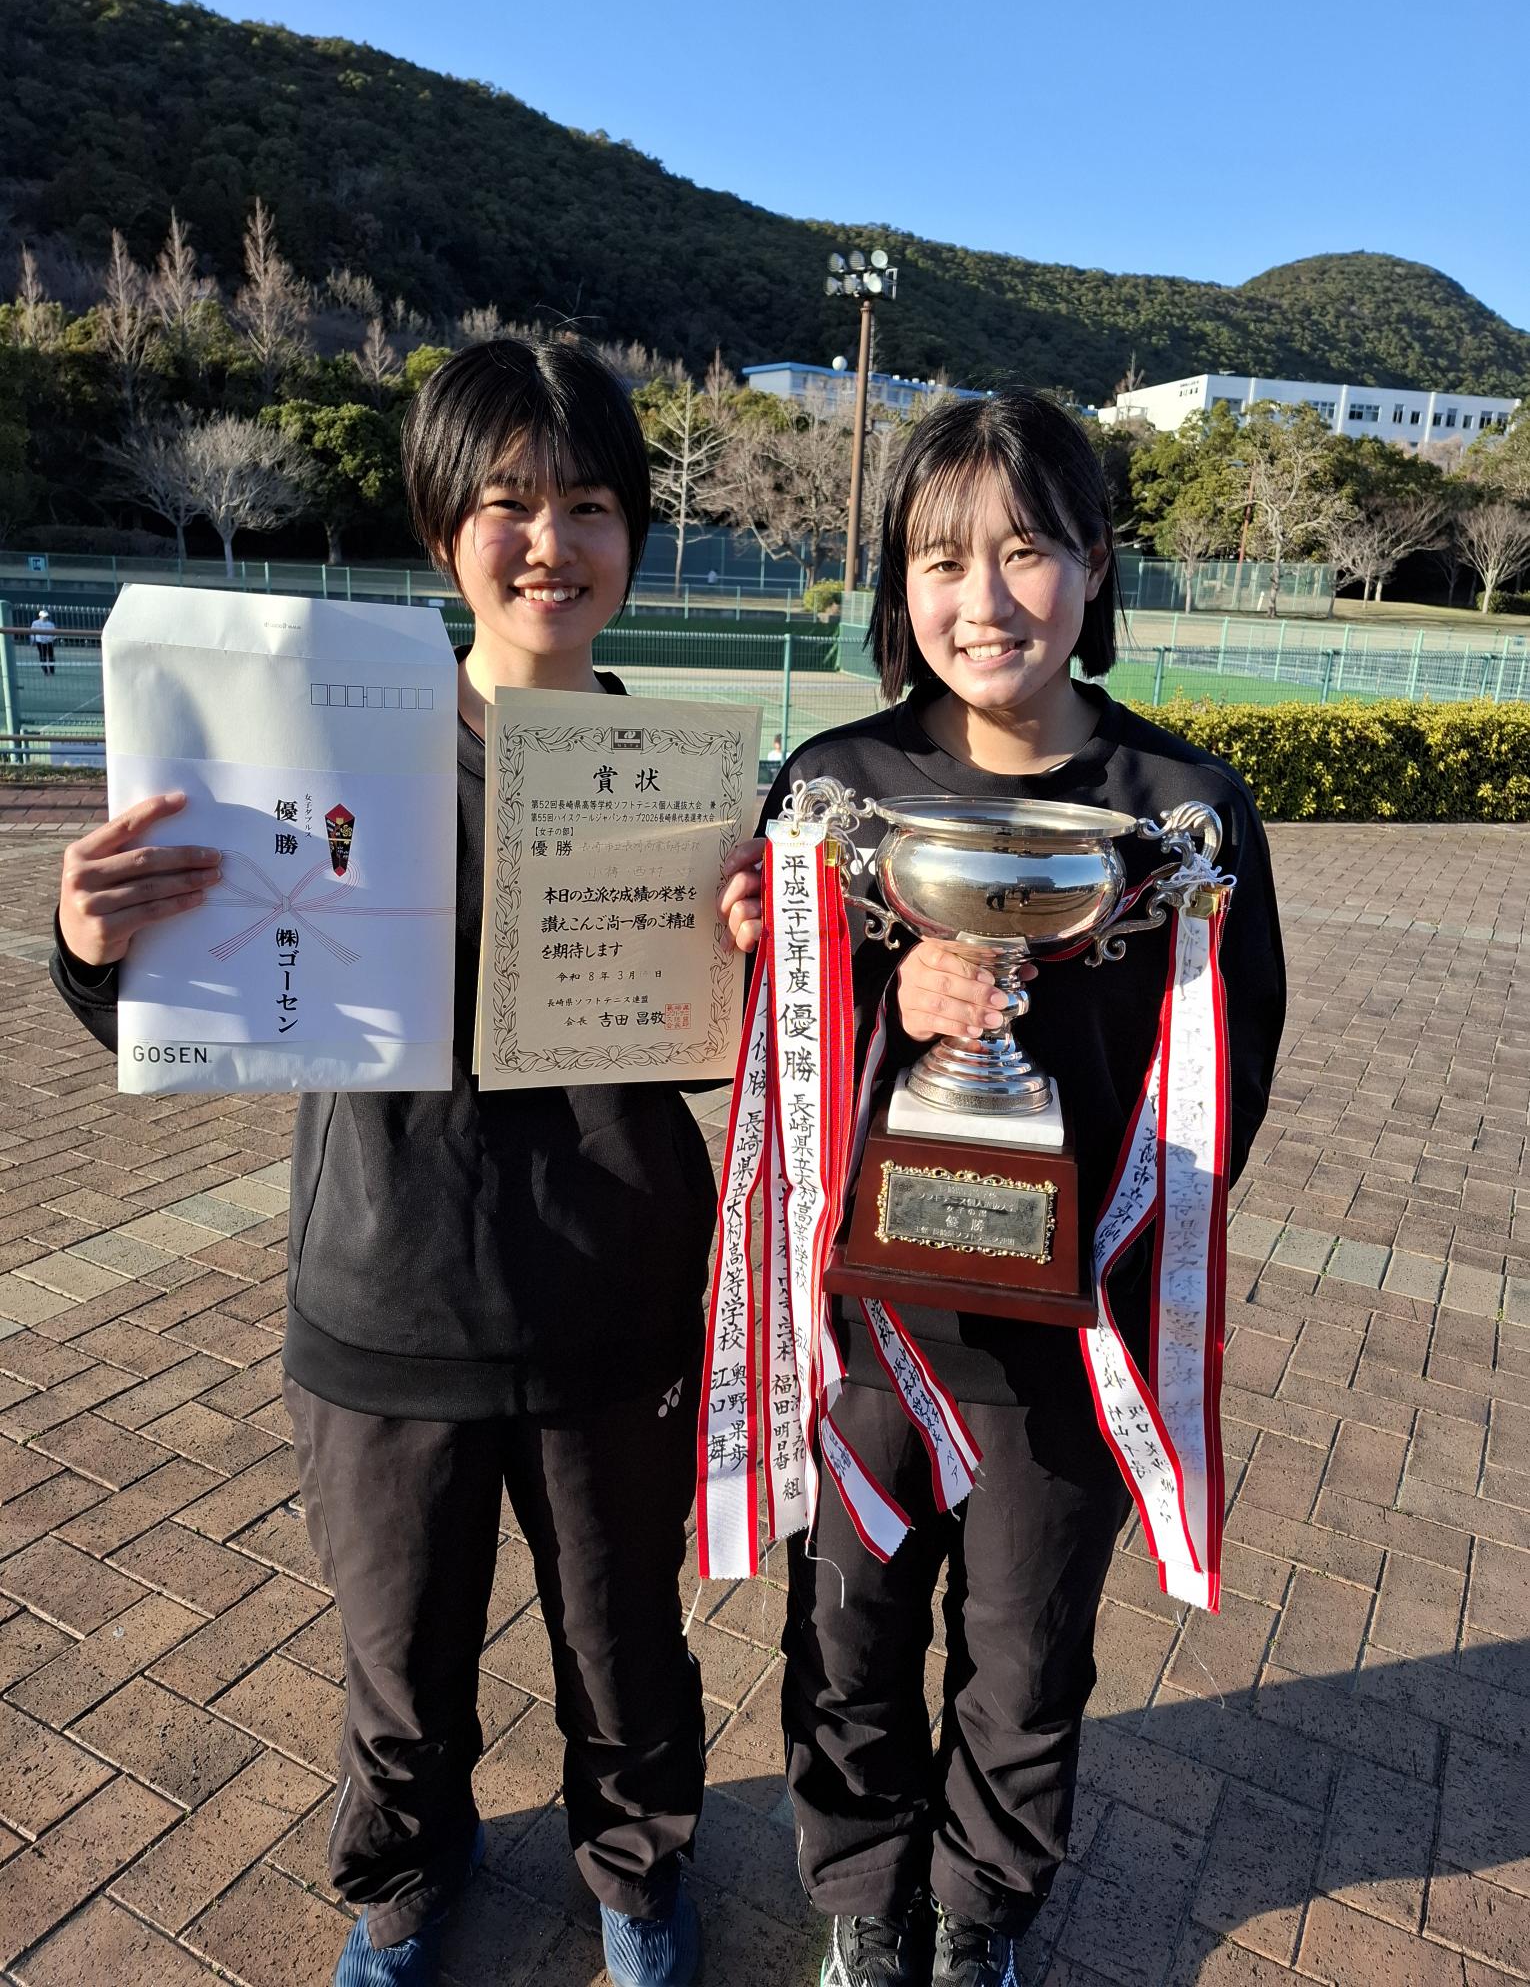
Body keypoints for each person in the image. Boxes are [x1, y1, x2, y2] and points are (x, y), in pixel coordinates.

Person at [49, 340, 717, 1987]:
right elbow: (203, 987)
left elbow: (741, 1033)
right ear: (440, 533)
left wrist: (769, 951)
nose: (549, 542)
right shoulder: (329, 757)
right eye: (507, 504)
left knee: (625, 1643)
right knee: (397, 1662)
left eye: (588, 505)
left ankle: (637, 1877)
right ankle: (405, 1884)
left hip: (617, 1295)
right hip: (386, 1287)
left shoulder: (691, 782)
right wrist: (96, 947)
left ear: (635, 536)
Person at [716, 392, 1285, 1987]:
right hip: (868, 1321)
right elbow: (766, 1058)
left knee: (1026, 1653)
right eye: (939, 558)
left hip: (1066, 1334)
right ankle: (858, 1894)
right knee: (847, 1629)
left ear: (1095, 564)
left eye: (1025, 551)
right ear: (896, 582)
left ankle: (979, 1912)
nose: (982, 599)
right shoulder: (834, 789)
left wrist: (1103, 1236)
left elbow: (1225, 1070)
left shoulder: (1177, 808)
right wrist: (883, 1007)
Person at [30, 606, 56, 677]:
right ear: (40, 616)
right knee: (42, 656)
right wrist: (32, 641)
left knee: (51, 656)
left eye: (46, 617)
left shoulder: (51, 624)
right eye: (44, 617)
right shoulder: (35, 623)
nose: (45, 618)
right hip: (40, 642)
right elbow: (32, 633)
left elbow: (54, 634)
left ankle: (52, 671)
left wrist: (51, 639)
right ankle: (45, 671)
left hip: (49, 642)